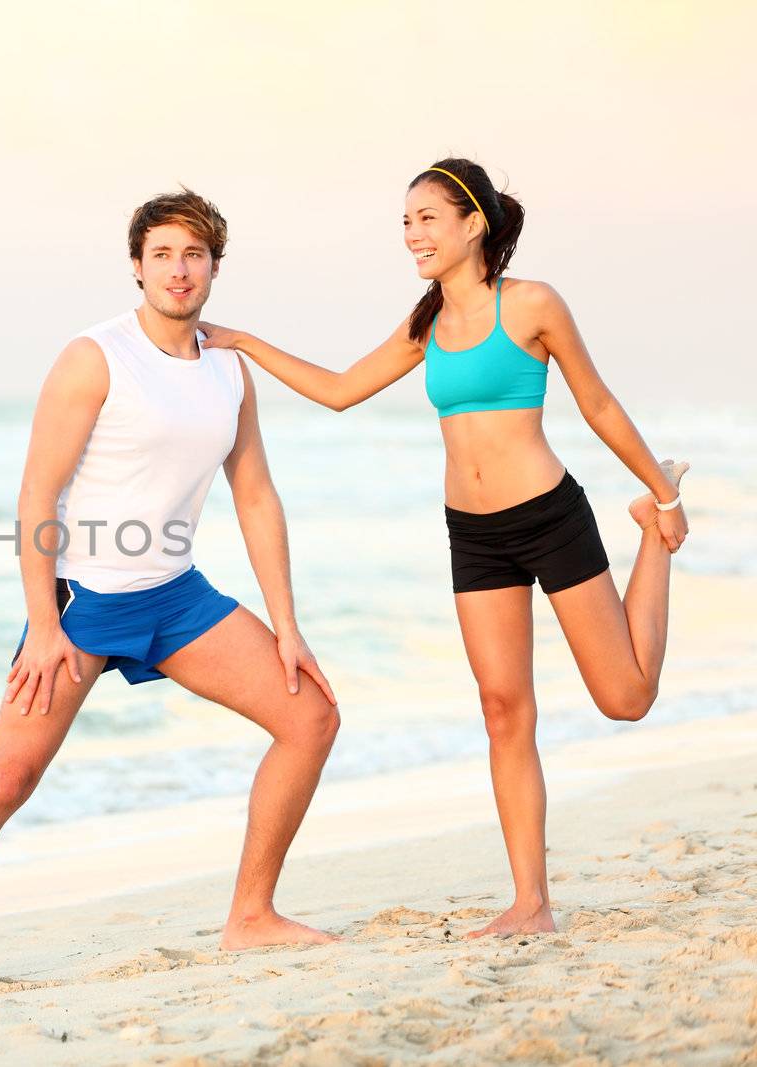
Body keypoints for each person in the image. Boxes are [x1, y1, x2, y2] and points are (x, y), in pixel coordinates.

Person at [198, 158, 689, 938]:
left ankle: (650, 539)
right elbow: (340, 389)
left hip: (549, 516)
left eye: (426, 218)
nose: (412, 235)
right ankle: (531, 902)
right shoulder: (425, 323)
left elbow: (595, 401)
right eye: (405, 222)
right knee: (503, 711)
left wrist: (664, 495)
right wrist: (245, 341)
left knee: (625, 698)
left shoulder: (530, 304)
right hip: (475, 535)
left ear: (474, 224)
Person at [0, 189, 342, 991]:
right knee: (4, 780)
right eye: (162, 254)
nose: (179, 269)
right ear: (137, 266)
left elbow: (256, 493)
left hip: (176, 596)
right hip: (83, 602)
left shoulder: (231, 369)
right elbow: (36, 496)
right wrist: (43, 624)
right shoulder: (95, 356)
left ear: (214, 268)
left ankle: (252, 915)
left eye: (194, 254)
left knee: (311, 715)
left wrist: (288, 624)